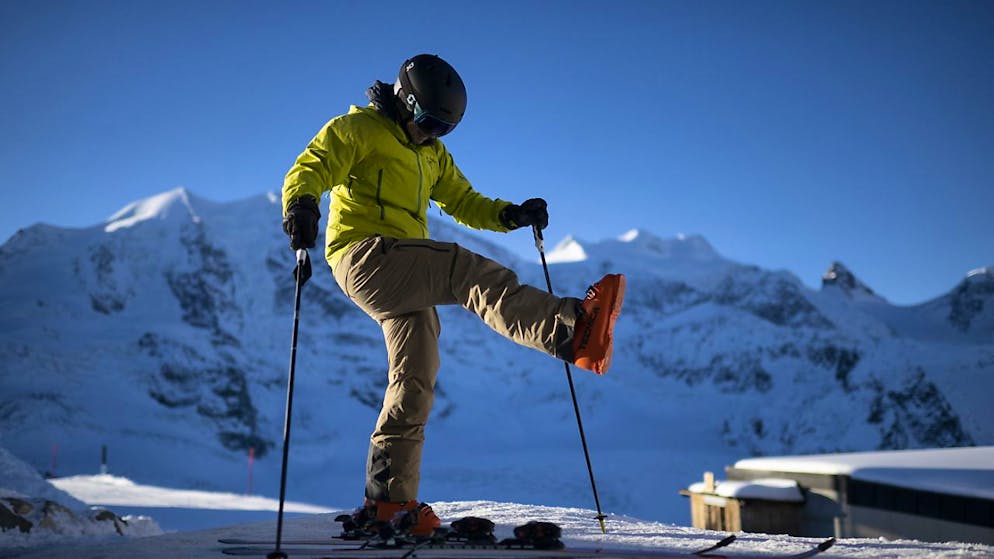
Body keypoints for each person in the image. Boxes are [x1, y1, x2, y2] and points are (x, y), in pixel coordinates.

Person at [280, 54, 625, 536]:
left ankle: (388, 502)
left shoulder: (431, 154)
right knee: (466, 269)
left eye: (445, 128)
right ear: (406, 102)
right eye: (428, 122)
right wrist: (301, 206)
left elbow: (463, 201)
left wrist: (510, 214)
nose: (432, 134)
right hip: (366, 255)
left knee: (414, 380)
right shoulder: (357, 130)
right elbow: (311, 168)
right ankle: (569, 328)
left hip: (407, 264)